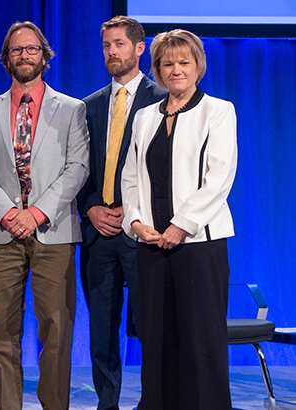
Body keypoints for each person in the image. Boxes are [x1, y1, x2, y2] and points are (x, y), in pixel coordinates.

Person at [0, 21, 89, 410]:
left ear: (44, 55)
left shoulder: (72, 109)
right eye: (16, 50)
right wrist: (9, 214)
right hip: (2, 234)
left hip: (53, 231)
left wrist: (35, 213)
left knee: (56, 329)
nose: (24, 55)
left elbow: (78, 168)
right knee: (2, 333)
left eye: (31, 49)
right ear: (6, 58)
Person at [120, 29, 237, 410]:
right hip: (151, 244)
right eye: (167, 63)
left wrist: (181, 225)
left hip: (198, 244)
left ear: (198, 66)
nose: (175, 70)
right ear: (156, 69)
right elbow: (130, 176)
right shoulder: (143, 117)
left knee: (201, 339)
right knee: (157, 337)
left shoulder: (218, 111)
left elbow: (219, 177)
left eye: (183, 62)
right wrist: (136, 223)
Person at [76, 16, 166, 410]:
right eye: (107, 45)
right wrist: (91, 207)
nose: (112, 52)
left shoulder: (162, 100)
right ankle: (107, 404)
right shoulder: (90, 105)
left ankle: (153, 401)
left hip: (142, 231)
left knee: (151, 325)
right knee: (101, 329)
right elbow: (78, 168)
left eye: (120, 44)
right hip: (99, 234)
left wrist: (132, 214)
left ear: (139, 48)